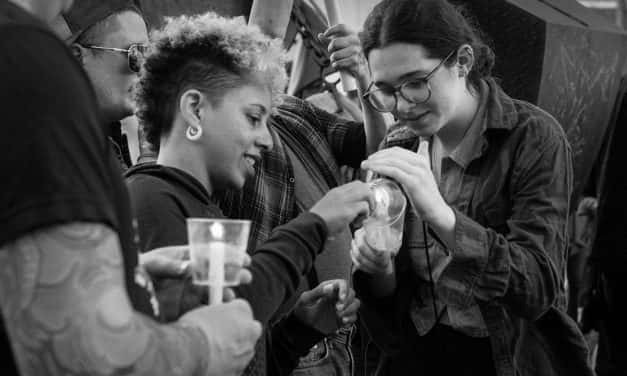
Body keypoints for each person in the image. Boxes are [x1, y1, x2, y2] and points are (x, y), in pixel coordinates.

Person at [0, 1, 263, 375]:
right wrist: (205, 344)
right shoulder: (26, 58)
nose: (148, 70)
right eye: (135, 54)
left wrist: (129, 278)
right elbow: (80, 356)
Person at [349, 0, 593, 375]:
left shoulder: (533, 137)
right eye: (385, 90)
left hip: (501, 358)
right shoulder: (399, 144)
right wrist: (377, 266)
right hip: (414, 353)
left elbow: (537, 288)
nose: (401, 105)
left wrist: (442, 216)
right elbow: (389, 296)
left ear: (462, 61)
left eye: (415, 82)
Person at [126, 12, 371, 375]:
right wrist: (315, 226)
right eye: (253, 118)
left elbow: (236, 360)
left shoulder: (201, 205)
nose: (267, 139)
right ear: (195, 109)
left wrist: (297, 331)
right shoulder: (151, 200)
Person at [213, 24, 387, 376]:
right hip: (284, 343)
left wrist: (363, 78)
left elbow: (374, 146)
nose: (261, 137)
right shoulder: (223, 140)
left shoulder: (295, 111)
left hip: (336, 331)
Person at [50, 0, 149, 170]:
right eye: (135, 54)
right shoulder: (52, 149)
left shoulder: (100, 144)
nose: (145, 71)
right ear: (77, 59)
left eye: (150, 55)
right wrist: (151, 169)